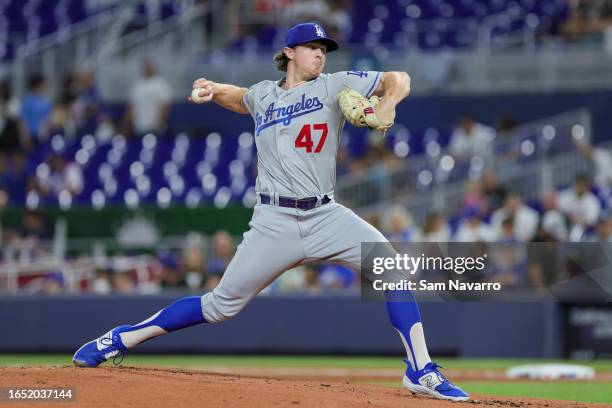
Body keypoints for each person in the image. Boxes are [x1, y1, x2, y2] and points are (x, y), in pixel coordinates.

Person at [72, 22, 468, 401]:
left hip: (326, 215)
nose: (320, 55)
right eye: (312, 48)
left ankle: (420, 368)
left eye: (324, 49)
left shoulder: (335, 85)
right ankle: (120, 338)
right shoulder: (264, 95)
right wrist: (213, 88)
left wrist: (388, 102)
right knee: (218, 307)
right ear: (289, 53)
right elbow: (240, 97)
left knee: (390, 269)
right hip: (274, 221)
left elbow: (399, 76)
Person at [120, 60, 172, 136]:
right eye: (146, 67)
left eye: (149, 67)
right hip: (139, 127)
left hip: (155, 128)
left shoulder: (160, 84)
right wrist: (125, 127)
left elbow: (165, 106)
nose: (147, 69)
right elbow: (132, 108)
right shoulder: (137, 85)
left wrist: (160, 121)